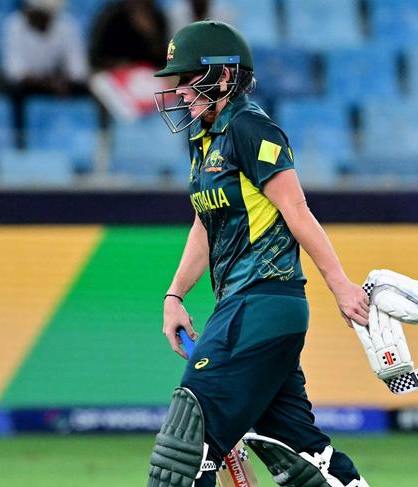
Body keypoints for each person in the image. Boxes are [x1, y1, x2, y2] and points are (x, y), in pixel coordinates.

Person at [147, 21, 371, 487]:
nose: (180, 93)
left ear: (223, 77)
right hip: (245, 308)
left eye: (188, 80)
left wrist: (340, 285)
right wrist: (175, 296)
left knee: (184, 451)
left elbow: (296, 209)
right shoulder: (203, 139)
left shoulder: (251, 128)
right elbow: (204, 224)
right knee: (299, 453)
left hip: (262, 302)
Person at [2, 0, 89, 144]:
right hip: (30, 86)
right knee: (16, 92)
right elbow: (14, 73)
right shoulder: (14, 24)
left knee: (88, 90)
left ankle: (84, 144)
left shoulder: (67, 24)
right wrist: (49, 83)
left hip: (57, 83)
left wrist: (61, 81)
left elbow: (78, 70)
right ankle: (21, 145)